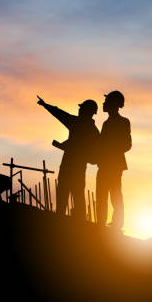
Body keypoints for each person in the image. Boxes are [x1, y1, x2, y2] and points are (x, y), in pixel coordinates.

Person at [37, 95, 99, 217]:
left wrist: (45, 105)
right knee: (74, 195)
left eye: (82, 109)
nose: (79, 110)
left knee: (68, 195)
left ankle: (67, 222)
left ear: (87, 111)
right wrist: (46, 105)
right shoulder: (93, 130)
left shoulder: (79, 124)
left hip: (72, 166)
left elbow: (60, 114)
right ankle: (77, 222)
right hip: (75, 166)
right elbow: (60, 114)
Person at [95, 91, 131, 230]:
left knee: (115, 196)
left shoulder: (123, 122)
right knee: (101, 196)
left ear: (113, 104)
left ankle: (116, 225)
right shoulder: (106, 124)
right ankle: (101, 224)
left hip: (114, 166)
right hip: (104, 165)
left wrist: (110, 150)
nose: (103, 104)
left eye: (106, 101)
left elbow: (127, 144)